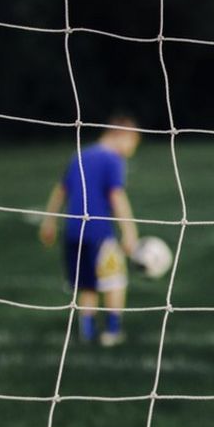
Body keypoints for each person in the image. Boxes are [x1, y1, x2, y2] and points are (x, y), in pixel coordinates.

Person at [39, 115, 141, 347]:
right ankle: (112, 332)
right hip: (99, 232)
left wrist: (49, 221)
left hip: (73, 231)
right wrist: (129, 231)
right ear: (121, 135)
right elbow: (116, 195)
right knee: (115, 281)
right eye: (133, 142)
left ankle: (87, 331)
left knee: (86, 283)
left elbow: (61, 190)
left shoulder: (80, 154)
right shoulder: (113, 159)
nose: (132, 149)